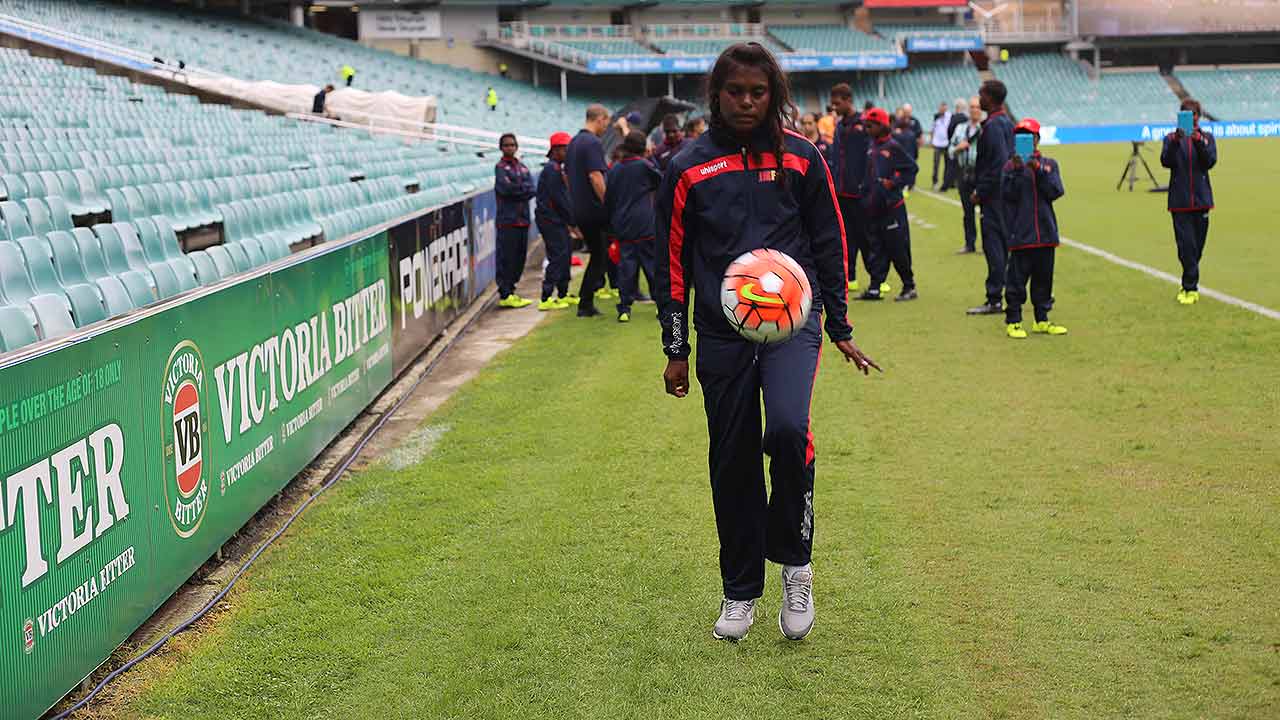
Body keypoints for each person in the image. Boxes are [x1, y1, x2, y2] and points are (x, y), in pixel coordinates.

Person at [654, 43, 880, 644]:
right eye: (736, 92)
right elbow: (671, 264)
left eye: (758, 92)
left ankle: (796, 563)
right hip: (720, 335)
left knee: (784, 429)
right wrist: (675, 347)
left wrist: (840, 327)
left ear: (773, 94)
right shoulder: (687, 166)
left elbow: (831, 241)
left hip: (792, 328)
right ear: (717, 95)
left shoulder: (804, 158)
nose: (747, 102)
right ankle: (739, 592)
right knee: (732, 459)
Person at [1000, 118, 1067, 338]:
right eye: (1020, 136)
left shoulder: (1049, 164)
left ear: (1037, 139)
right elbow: (1007, 195)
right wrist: (1019, 171)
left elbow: (1056, 191)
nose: (1025, 140)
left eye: (1029, 136)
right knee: (1016, 281)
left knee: (1043, 280)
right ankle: (1014, 321)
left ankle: (1042, 319)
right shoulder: (1010, 167)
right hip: (1021, 234)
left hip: (1046, 233)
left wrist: (1037, 170)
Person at [855, 107, 919, 302]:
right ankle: (875, 287)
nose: (867, 128)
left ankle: (909, 286)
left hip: (892, 208)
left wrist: (893, 182)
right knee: (876, 248)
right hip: (874, 208)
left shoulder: (893, 146)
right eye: (866, 125)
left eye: (871, 125)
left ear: (882, 126)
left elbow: (911, 168)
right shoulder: (870, 146)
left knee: (898, 248)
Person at [1160, 98, 1217, 305]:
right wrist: (1177, 140)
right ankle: (1190, 287)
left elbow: (1210, 161)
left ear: (1198, 118)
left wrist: (1198, 141)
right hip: (1180, 201)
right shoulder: (1171, 139)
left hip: (1202, 200)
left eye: (1193, 117)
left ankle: (1189, 279)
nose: (1191, 122)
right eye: (1187, 116)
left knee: (1197, 247)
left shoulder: (1207, 138)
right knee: (1186, 246)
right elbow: (1166, 161)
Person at [967, 79, 1015, 316]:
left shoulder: (994, 126)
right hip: (1006, 195)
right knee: (1004, 245)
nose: (979, 99)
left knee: (994, 245)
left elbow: (997, 165)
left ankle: (995, 297)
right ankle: (1009, 293)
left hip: (994, 197)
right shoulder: (1007, 122)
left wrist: (980, 191)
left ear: (991, 98)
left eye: (981, 95)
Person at [605, 130, 661, 322]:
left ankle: (624, 309)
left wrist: (611, 227)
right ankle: (660, 305)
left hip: (623, 226)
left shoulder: (614, 169)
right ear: (642, 147)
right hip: (645, 224)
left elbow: (608, 199)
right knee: (652, 266)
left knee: (626, 268)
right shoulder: (644, 166)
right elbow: (661, 181)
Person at [827, 83, 876, 294]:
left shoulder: (864, 125)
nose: (834, 108)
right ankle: (851, 278)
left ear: (848, 100)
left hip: (860, 194)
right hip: (842, 193)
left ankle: (877, 280)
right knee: (846, 239)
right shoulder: (839, 127)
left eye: (837, 103)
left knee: (866, 238)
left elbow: (870, 159)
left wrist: (866, 185)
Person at [566, 104, 613, 317]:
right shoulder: (592, 142)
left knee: (599, 255)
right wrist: (608, 203)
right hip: (594, 210)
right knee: (600, 255)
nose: (606, 128)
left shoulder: (574, 142)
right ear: (600, 118)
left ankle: (586, 301)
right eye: (606, 123)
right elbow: (595, 176)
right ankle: (585, 303)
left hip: (579, 208)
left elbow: (567, 177)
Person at [535, 132, 578, 311]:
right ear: (556, 150)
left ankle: (562, 293)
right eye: (565, 148)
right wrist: (573, 221)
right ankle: (546, 297)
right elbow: (559, 199)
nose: (568, 152)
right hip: (550, 220)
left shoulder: (556, 168)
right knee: (558, 256)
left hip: (556, 219)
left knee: (565, 253)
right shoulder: (551, 170)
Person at [494, 133, 536, 308]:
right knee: (507, 257)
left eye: (512, 145)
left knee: (519, 257)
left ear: (517, 146)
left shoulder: (522, 167)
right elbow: (505, 190)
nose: (510, 148)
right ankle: (505, 293)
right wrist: (520, 190)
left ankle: (512, 290)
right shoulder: (500, 167)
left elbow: (531, 189)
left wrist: (518, 189)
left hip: (523, 220)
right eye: (506, 145)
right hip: (507, 220)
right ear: (501, 148)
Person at [948, 99, 983, 254]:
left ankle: (988, 244)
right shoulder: (961, 129)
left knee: (986, 212)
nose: (975, 110)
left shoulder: (986, 128)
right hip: (964, 173)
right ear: (968, 110)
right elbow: (949, 150)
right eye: (972, 107)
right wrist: (957, 148)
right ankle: (970, 244)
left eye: (977, 107)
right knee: (967, 212)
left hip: (981, 174)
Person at [940, 97, 968, 191]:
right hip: (963, 145)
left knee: (950, 166)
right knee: (960, 166)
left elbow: (949, 130)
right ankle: (957, 184)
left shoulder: (954, 117)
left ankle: (946, 185)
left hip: (954, 145)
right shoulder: (965, 118)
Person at [929, 101, 952, 190]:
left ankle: (945, 181)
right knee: (936, 163)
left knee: (947, 164)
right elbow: (932, 129)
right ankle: (935, 181)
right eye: (941, 108)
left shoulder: (949, 117)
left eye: (944, 108)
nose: (942, 109)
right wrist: (932, 140)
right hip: (937, 143)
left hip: (946, 143)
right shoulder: (936, 117)